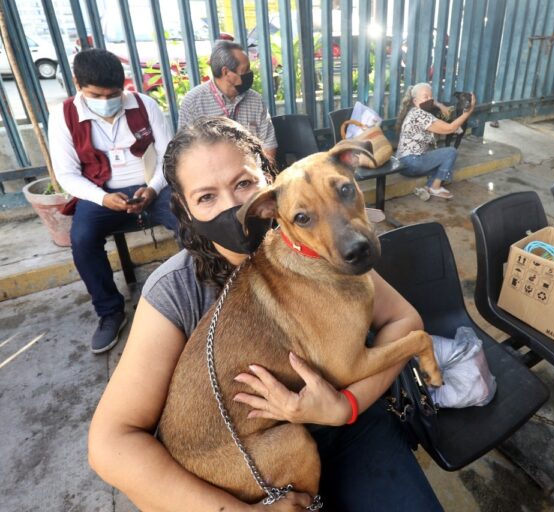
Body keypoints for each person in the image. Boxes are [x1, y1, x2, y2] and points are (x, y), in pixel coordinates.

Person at [88, 117, 443, 511]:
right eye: (206, 197)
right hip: (256, 453)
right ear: (184, 209)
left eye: (243, 183)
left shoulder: (318, 244)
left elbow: (404, 321)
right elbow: (110, 444)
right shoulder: (174, 290)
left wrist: (346, 407)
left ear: (269, 183)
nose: (233, 207)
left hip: (349, 423)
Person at [48, 48, 177, 354]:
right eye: (97, 94)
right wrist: (103, 199)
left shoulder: (145, 105)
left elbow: (169, 155)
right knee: (82, 239)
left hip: (151, 186)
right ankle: (110, 312)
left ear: (124, 85)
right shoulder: (63, 116)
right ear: (77, 83)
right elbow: (67, 176)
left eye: (114, 93)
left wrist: (154, 188)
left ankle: (195, 291)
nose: (106, 100)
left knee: (194, 223)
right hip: (100, 193)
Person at [178, 40, 277, 163]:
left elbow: (269, 145)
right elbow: (185, 152)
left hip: (252, 174)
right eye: (245, 70)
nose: (250, 74)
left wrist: (263, 176)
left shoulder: (255, 100)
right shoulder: (193, 102)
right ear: (226, 72)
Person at [394, 83, 475, 200]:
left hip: (403, 166)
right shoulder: (420, 114)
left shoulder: (413, 111)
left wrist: (438, 104)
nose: (430, 99)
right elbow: (450, 128)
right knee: (451, 152)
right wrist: (467, 113)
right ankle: (435, 187)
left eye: (431, 97)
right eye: (426, 97)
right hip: (413, 162)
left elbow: (430, 101)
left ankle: (426, 189)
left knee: (443, 164)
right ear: (415, 101)